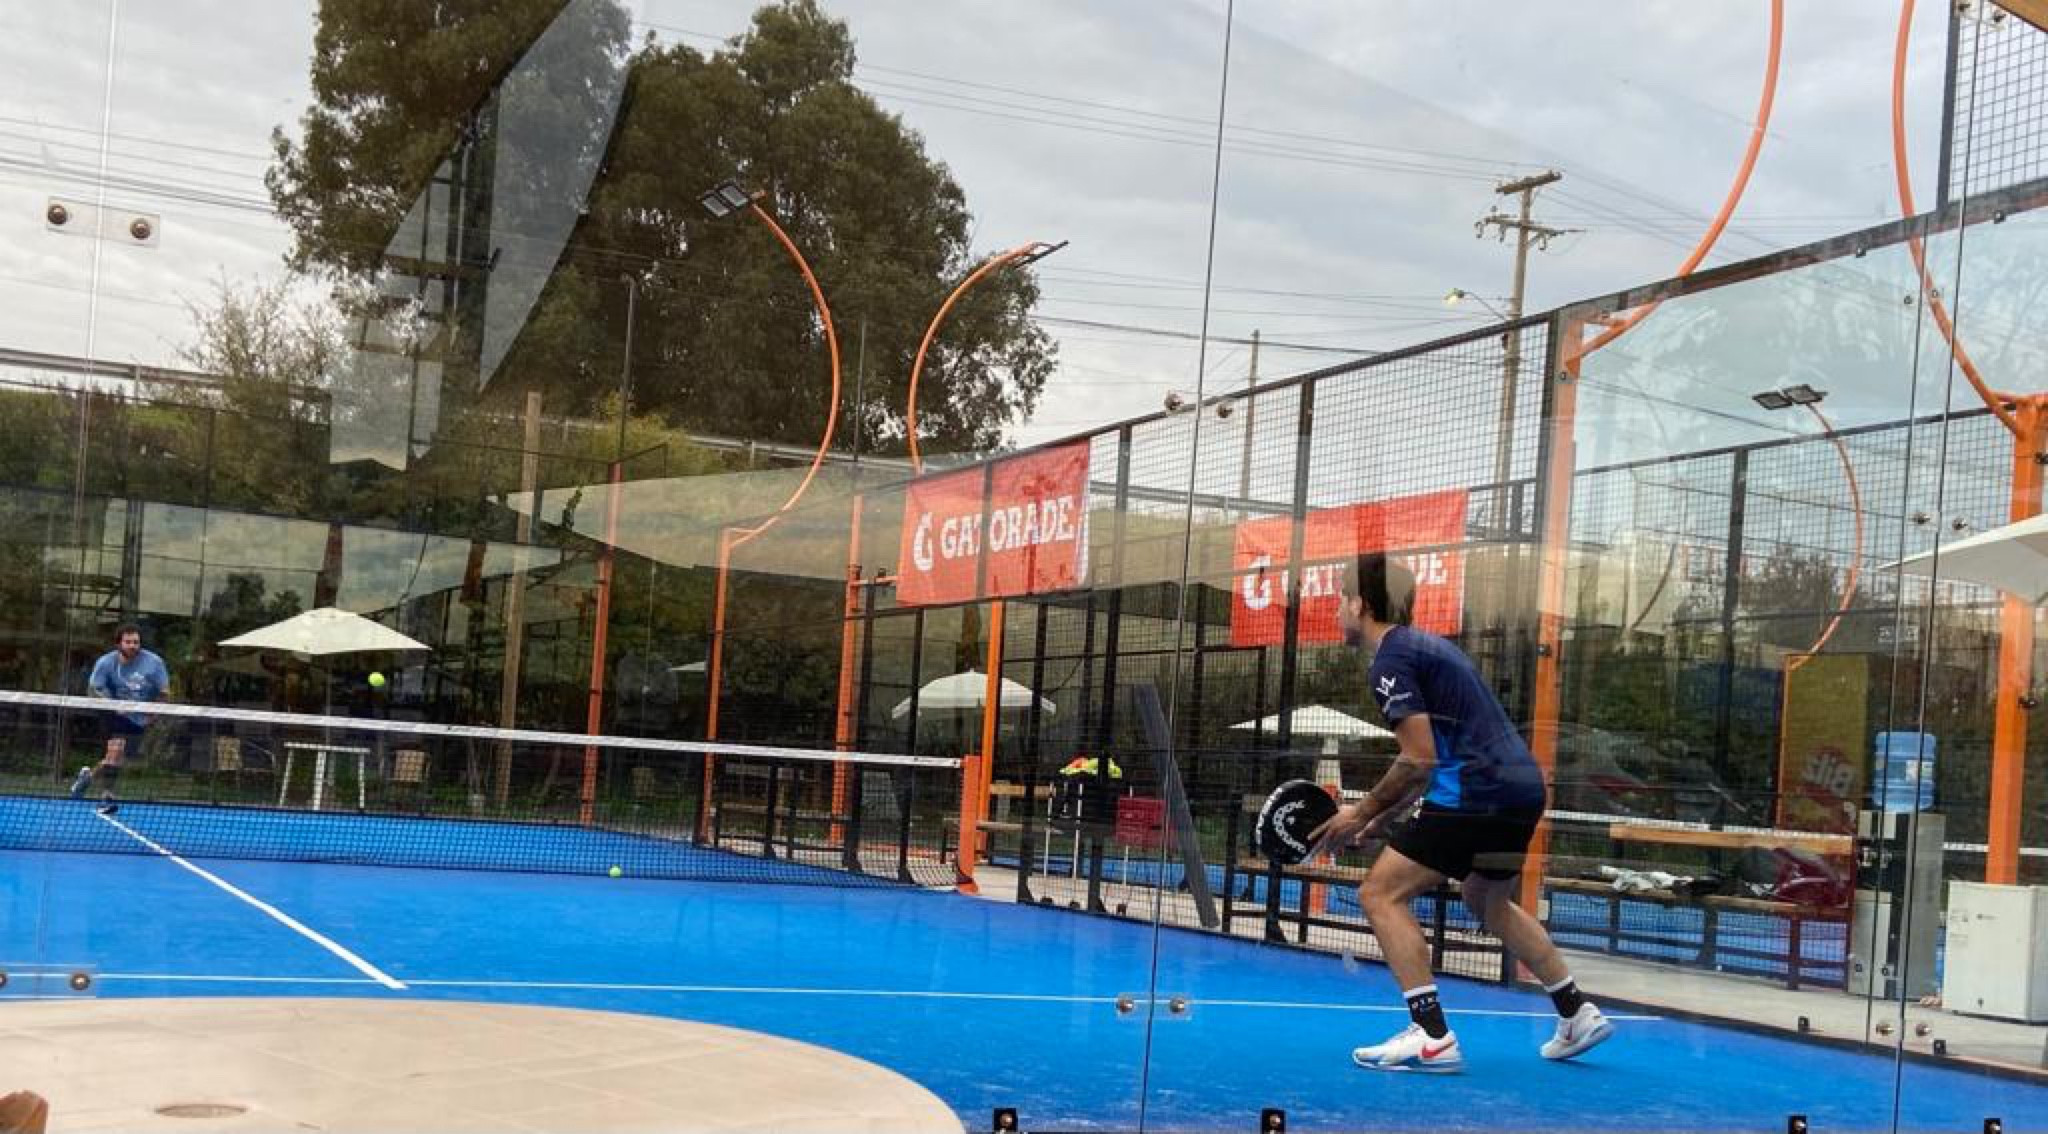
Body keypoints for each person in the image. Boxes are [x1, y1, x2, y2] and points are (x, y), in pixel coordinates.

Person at [1310, 553, 1611, 1072]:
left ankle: (1431, 1036)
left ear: (1360, 605)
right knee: (1485, 897)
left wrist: (1360, 811)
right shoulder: (1429, 647)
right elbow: (1438, 755)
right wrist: (1383, 817)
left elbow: (1419, 757)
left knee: (1380, 894)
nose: (1337, 610)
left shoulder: (1390, 662)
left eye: (1341, 599)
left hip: (1475, 792)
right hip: (1519, 789)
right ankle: (1575, 1011)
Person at [71, 624, 169, 815]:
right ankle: (107, 798)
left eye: (136, 642)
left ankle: (87, 777)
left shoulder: (154, 662)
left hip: (138, 716)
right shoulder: (105, 663)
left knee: (115, 757)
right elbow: (93, 689)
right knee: (116, 751)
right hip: (112, 713)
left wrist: (153, 715)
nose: (133, 646)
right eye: (128, 642)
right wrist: (113, 705)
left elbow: (164, 692)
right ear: (118, 644)